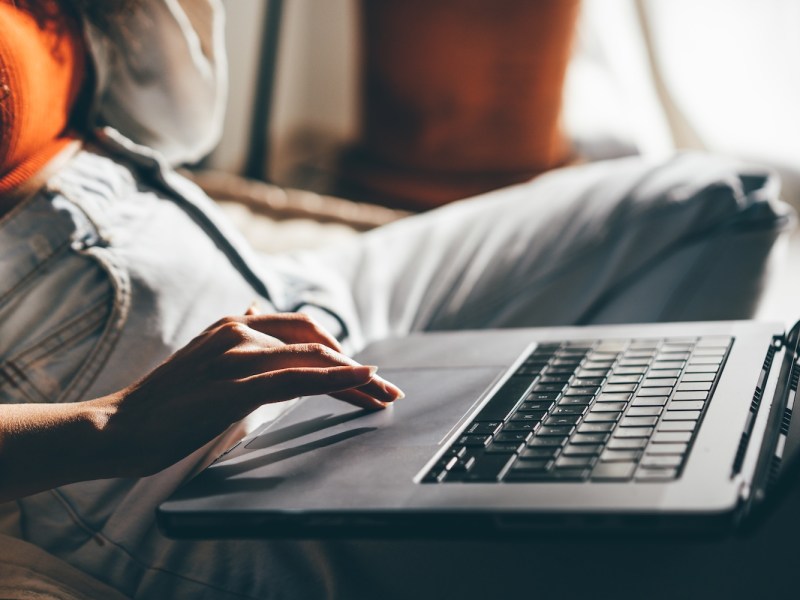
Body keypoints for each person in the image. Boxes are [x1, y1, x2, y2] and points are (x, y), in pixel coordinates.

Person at [0, 0, 792, 597]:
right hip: (123, 427)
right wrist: (109, 426)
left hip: (282, 288)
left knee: (720, 203)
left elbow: (177, 112)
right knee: (739, 525)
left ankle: (580, 478)